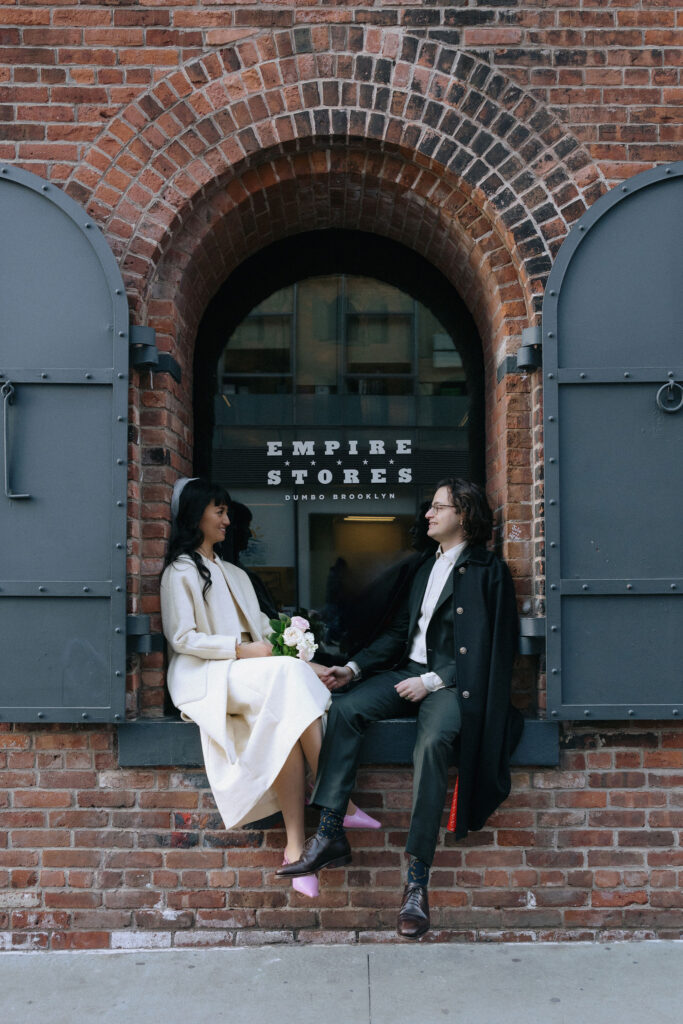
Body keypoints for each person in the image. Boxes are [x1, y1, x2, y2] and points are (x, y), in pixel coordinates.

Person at [278, 478, 523, 936]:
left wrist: (432, 680)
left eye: (437, 507)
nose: (428, 515)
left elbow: (492, 648)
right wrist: (351, 668)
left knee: (432, 746)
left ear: (464, 515)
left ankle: (416, 882)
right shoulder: (422, 568)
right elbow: (398, 635)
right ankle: (330, 832)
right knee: (345, 708)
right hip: (405, 672)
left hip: (452, 687)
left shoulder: (488, 571)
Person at [160, 477, 378, 900]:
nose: (227, 520)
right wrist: (241, 651)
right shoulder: (180, 572)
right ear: (196, 515)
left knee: (285, 723)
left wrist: (310, 664)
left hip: (256, 675)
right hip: (208, 675)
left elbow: (269, 639)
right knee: (286, 689)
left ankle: (296, 850)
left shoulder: (235, 573)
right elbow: (181, 637)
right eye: (219, 511)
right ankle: (340, 802)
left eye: (226, 512)